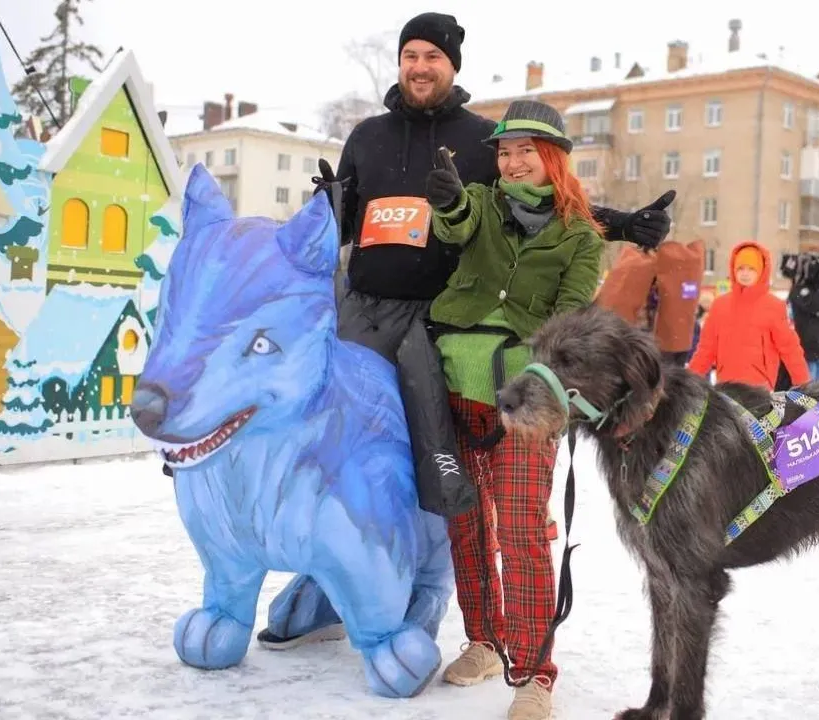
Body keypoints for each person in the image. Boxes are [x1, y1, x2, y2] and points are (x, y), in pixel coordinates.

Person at [255, 13, 673, 650]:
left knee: (433, 464)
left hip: (443, 325)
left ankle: (417, 589)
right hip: (364, 311)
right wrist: (326, 212)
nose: (419, 66)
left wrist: (622, 226)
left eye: (433, 56)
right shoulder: (365, 136)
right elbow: (340, 227)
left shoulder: (484, 140)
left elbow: (543, 199)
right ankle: (324, 584)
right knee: (340, 451)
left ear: (454, 66)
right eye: (410, 55)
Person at [421, 99, 603, 719]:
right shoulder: (483, 204)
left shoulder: (580, 237)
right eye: (505, 151)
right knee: (466, 524)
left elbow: (572, 320)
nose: (514, 161)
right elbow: (456, 220)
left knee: (523, 530)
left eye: (526, 150)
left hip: (525, 402)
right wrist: (448, 201)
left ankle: (534, 670)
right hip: (454, 390)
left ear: (552, 158)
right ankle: (485, 640)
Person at [688, 241, 810, 390]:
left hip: (760, 388)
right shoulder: (720, 305)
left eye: (751, 269)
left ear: (761, 271)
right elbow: (706, 349)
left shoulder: (774, 306)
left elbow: (789, 348)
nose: (745, 273)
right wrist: (689, 381)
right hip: (726, 385)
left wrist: (803, 382)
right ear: (733, 270)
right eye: (740, 268)